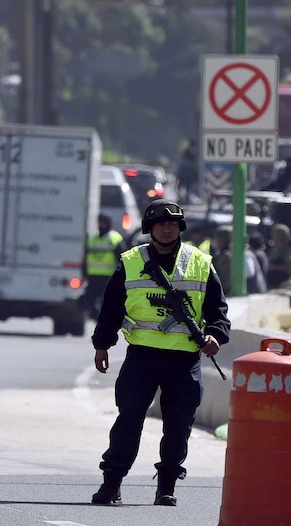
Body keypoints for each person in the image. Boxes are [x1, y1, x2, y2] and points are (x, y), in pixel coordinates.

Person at [90, 199, 231, 506]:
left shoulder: (200, 263)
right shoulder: (130, 261)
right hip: (141, 357)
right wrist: (102, 344)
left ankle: (166, 486)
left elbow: (219, 312)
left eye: (172, 224)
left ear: (180, 229)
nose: (166, 229)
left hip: (184, 361)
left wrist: (215, 335)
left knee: (178, 426)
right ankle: (111, 483)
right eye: (160, 224)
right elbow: (111, 308)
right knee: (128, 421)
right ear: (150, 228)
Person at [81, 214, 125, 320]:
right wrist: (84, 271)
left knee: (107, 299)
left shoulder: (114, 238)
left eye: (103, 223)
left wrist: (120, 274)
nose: (101, 225)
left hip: (108, 275)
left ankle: (105, 317)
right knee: (90, 299)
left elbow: (121, 257)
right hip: (93, 275)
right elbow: (86, 256)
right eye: (100, 223)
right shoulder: (93, 238)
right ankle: (95, 316)